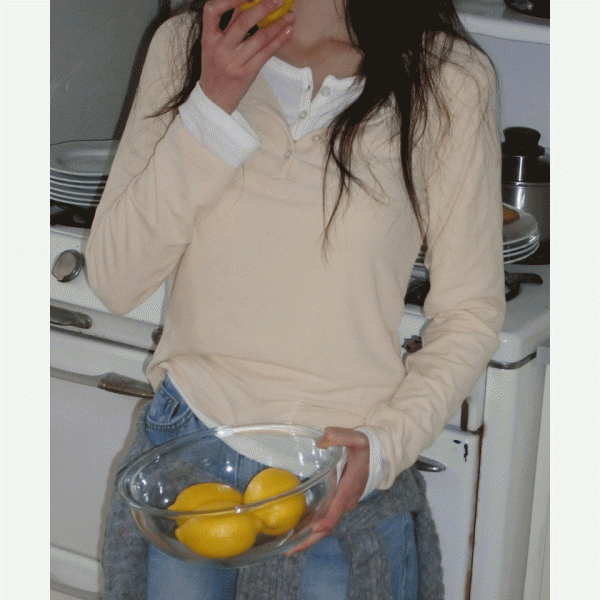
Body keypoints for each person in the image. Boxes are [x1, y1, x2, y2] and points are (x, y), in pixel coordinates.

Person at [86, 0, 506, 598]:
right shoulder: (188, 45)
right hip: (187, 463)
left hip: (338, 475)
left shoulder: (448, 78)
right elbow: (115, 277)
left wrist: (386, 446)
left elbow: (471, 313)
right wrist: (211, 103)